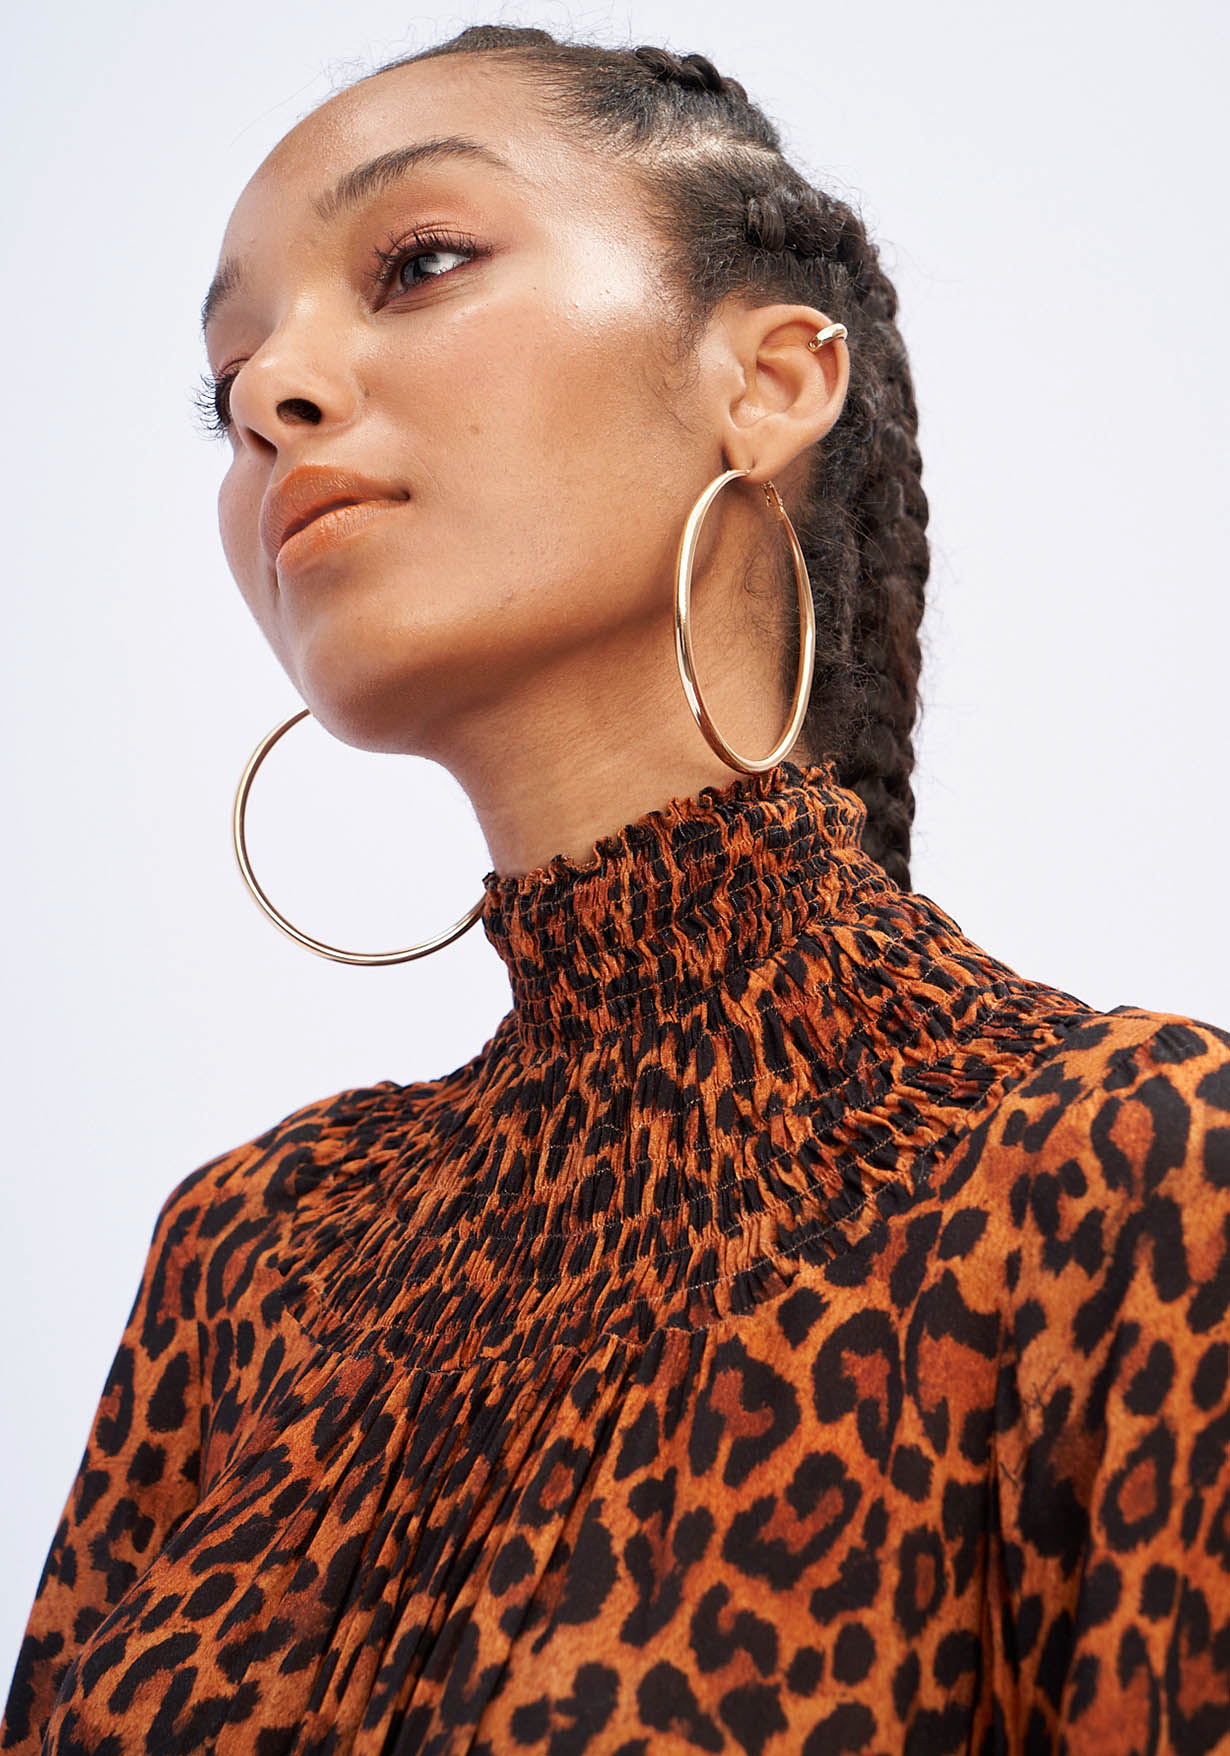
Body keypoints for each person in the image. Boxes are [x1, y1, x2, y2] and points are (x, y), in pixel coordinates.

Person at [3, 23, 1228, 1754]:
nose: (276, 393)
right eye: (228, 382)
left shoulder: (1124, 1168)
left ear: (772, 382)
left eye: (418, 263)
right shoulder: (248, 1258)